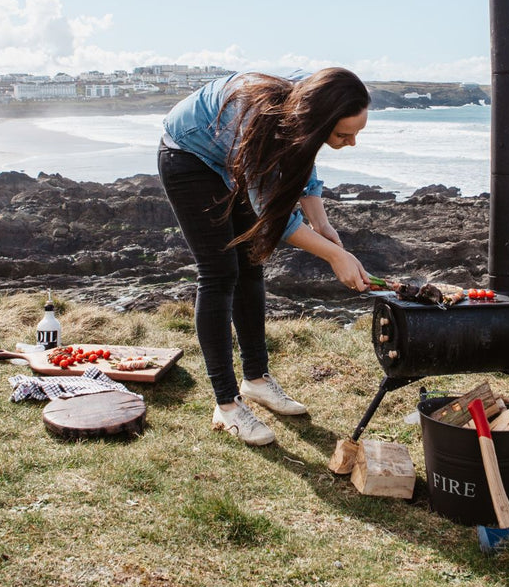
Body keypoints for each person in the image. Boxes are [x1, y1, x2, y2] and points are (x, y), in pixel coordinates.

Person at [157, 67, 371, 446]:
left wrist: (322, 224)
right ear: (321, 122)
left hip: (231, 156)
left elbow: (304, 160)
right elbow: (273, 218)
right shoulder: (254, 117)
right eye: (343, 134)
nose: (352, 142)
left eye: (357, 134)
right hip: (189, 157)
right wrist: (335, 257)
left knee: (251, 262)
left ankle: (256, 379)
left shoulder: (307, 101)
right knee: (220, 272)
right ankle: (226, 405)